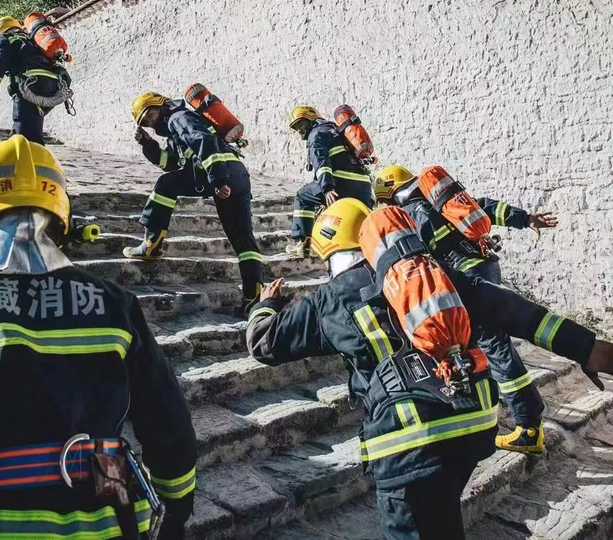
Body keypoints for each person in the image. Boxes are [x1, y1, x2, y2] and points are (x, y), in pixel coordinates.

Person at [246, 197, 613, 540]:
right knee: (440, 515)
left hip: (410, 441)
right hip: (473, 423)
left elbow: (263, 343)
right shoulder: (430, 273)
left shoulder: (326, 302)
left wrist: (266, 305)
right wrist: (585, 347)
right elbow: (510, 309)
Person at [0, 135, 196, 540]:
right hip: (108, 520)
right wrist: (176, 506)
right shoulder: (113, 305)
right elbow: (166, 422)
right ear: (61, 212)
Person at [374, 165, 558, 454]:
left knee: (495, 347)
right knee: (473, 343)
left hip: (466, 275)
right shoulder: (440, 198)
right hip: (485, 266)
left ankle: (529, 428)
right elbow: (484, 207)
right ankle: (481, 408)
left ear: (390, 194)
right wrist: (524, 219)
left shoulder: (411, 213)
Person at [123, 92, 264, 314]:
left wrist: (218, 180)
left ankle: (151, 244)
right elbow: (169, 163)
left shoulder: (177, 117)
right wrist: (148, 144)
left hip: (219, 174)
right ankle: (254, 299)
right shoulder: (175, 130)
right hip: (238, 175)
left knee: (166, 184)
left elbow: (203, 140)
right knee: (242, 239)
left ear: (160, 105)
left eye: (150, 114)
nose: (149, 121)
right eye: (145, 121)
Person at [287, 106, 374, 257]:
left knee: (302, 197)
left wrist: (327, 188)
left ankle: (304, 243)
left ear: (311, 119)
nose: (299, 130)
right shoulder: (337, 130)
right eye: (296, 127)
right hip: (364, 185)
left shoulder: (316, 134)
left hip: (341, 183)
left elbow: (322, 163)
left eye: (301, 124)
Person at [0, 16, 72, 145]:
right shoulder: (33, 41)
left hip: (30, 86)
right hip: (53, 85)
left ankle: (26, 154)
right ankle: (18, 146)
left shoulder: (6, 38)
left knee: (25, 135)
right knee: (29, 127)